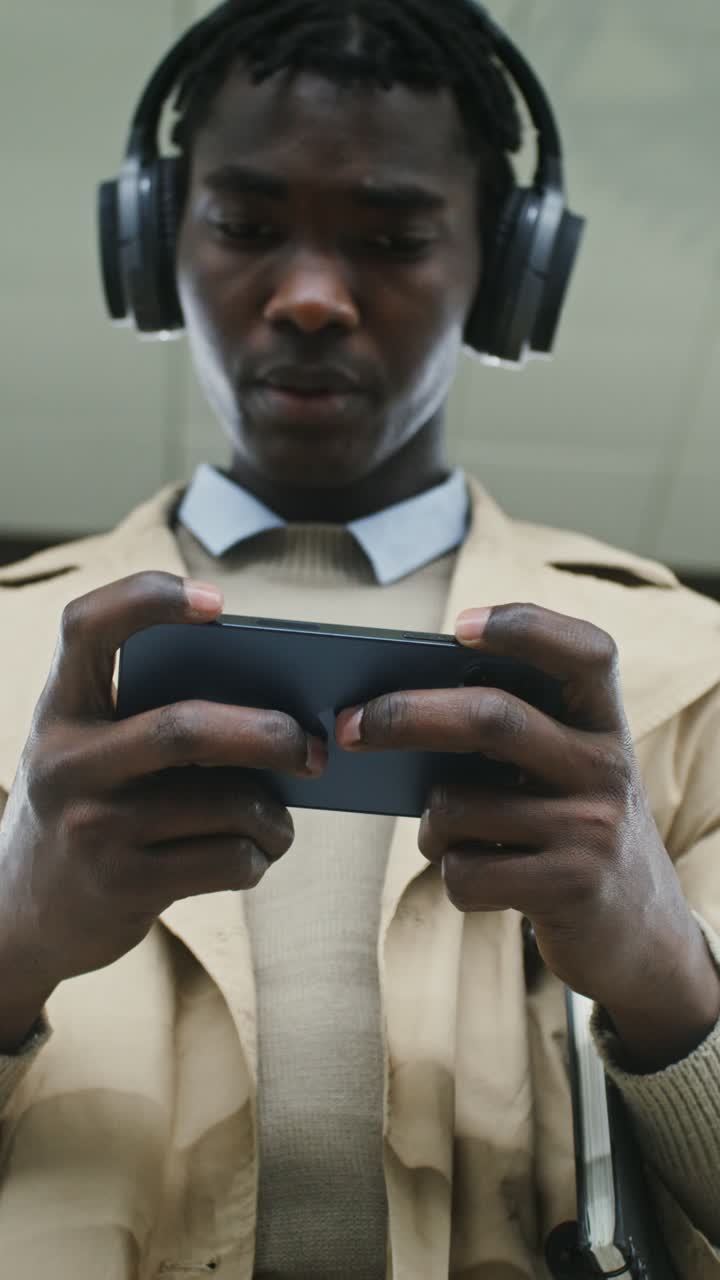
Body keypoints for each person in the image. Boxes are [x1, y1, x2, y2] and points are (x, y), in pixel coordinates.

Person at [0, 1, 718, 1276]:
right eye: (245, 225)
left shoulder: (690, 677)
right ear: (154, 240)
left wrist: (667, 977)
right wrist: (10, 950)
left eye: (390, 237)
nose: (313, 297)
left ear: (507, 270)